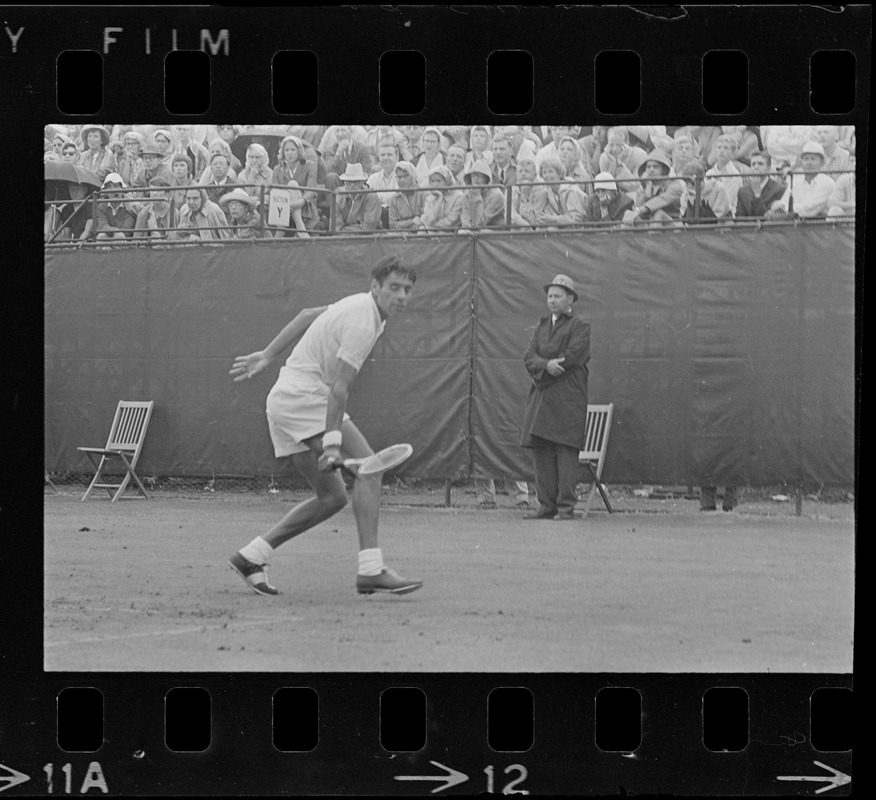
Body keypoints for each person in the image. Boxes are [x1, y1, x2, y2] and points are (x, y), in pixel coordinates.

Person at [227, 255, 423, 596]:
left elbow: (306, 316)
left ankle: (251, 556)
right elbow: (339, 388)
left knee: (331, 497)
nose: (402, 296)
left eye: (407, 289)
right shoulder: (364, 321)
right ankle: (371, 569)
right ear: (375, 287)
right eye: (394, 287)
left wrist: (269, 354)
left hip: (283, 399)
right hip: (304, 397)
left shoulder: (360, 306)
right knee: (370, 469)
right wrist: (331, 445)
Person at [520, 274, 590, 521]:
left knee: (565, 454)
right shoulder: (540, 327)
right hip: (542, 400)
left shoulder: (580, 325)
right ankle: (546, 506)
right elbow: (529, 357)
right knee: (542, 454)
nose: (552, 300)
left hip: (568, 400)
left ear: (570, 299)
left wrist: (544, 369)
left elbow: (570, 358)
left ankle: (565, 509)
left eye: (558, 296)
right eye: (550, 296)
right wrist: (546, 365)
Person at [768, 141, 836, 219]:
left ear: (822, 163)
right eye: (806, 159)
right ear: (801, 162)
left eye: (813, 159)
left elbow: (809, 209)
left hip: (818, 225)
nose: (809, 163)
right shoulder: (795, 181)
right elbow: (782, 203)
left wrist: (783, 207)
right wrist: (781, 207)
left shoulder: (828, 183)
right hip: (793, 223)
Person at [623, 150, 685, 226]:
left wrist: (638, 211)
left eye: (655, 167)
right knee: (628, 214)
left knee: (658, 214)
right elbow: (638, 211)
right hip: (649, 224)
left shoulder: (674, 185)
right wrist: (647, 187)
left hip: (672, 225)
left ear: (664, 170)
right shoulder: (645, 187)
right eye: (648, 167)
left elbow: (661, 200)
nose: (651, 170)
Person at [531, 158, 586, 228]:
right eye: (544, 172)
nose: (547, 175)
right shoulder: (548, 192)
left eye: (550, 171)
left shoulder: (571, 190)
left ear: (560, 174)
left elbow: (577, 219)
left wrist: (553, 219)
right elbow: (547, 214)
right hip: (563, 230)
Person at [735, 151, 787, 218]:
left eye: (760, 164)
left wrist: (757, 193)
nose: (756, 167)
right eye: (753, 164)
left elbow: (765, 217)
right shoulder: (743, 191)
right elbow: (739, 219)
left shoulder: (779, 189)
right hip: (747, 227)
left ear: (768, 168)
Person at [335, 162, 382, 232]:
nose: (352, 185)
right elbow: (336, 225)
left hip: (368, 239)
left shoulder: (371, 197)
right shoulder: (339, 195)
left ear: (362, 182)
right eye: (348, 182)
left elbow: (368, 227)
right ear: (344, 182)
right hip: (342, 237)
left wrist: (345, 231)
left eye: (355, 182)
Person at [460, 159, 505, 229]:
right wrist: (467, 228)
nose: (475, 178)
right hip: (471, 231)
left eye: (479, 176)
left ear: (487, 178)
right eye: (473, 175)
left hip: (493, 233)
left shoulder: (496, 195)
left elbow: (480, 222)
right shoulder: (467, 193)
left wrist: (476, 196)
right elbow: (465, 216)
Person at [366, 139, 400, 228]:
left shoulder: (403, 177)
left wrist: (377, 197)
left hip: (397, 218)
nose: (385, 158)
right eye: (382, 155)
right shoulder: (372, 178)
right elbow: (367, 198)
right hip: (376, 218)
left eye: (389, 154)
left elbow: (396, 197)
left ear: (397, 157)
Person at [417, 165, 463, 231]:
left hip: (452, 232)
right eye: (432, 181)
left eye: (438, 181)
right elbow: (425, 220)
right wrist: (439, 199)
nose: (435, 184)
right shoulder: (430, 197)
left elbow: (451, 221)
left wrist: (433, 226)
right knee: (422, 230)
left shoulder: (458, 196)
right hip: (432, 230)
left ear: (447, 182)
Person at [94, 173, 136, 241]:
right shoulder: (101, 206)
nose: (112, 190)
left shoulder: (130, 205)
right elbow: (103, 226)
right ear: (106, 191)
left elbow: (126, 231)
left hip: (126, 242)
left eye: (116, 186)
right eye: (109, 187)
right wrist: (115, 231)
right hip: (110, 237)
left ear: (122, 188)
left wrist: (113, 233)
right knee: (101, 236)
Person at [388, 161, 425, 230]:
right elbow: (392, 225)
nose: (402, 180)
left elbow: (426, 219)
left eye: (405, 176)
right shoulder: (394, 199)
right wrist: (411, 222)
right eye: (399, 177)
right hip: (402, 233)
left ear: (412, 176)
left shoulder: (424, 193)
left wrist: (402, 224)